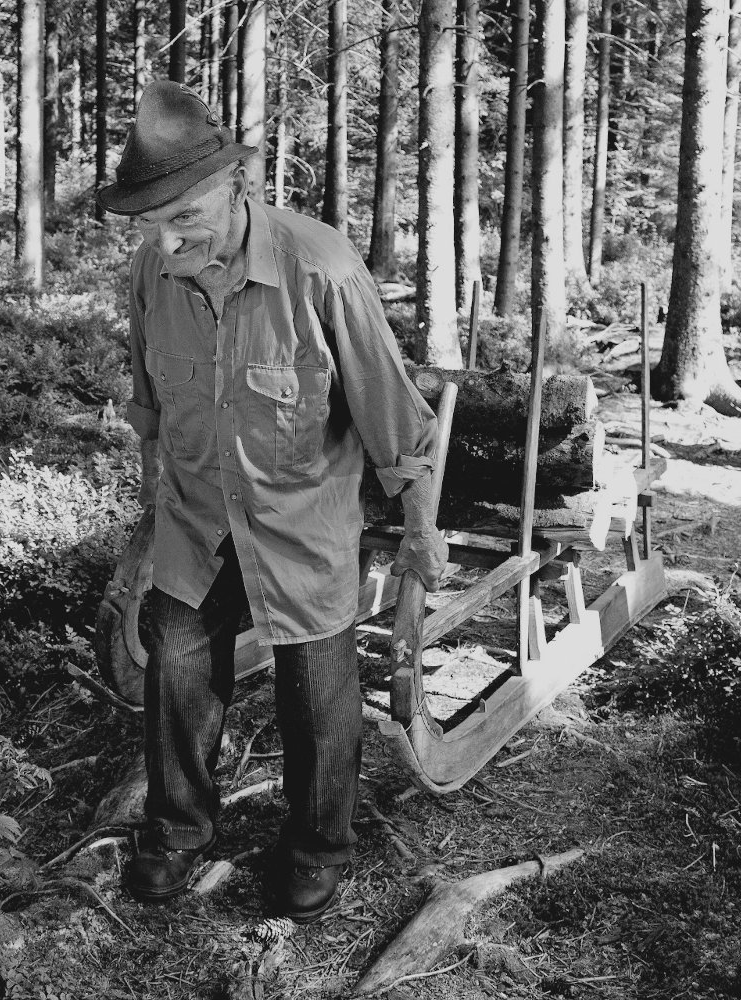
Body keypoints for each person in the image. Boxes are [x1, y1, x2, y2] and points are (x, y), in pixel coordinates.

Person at [98, 80, 448, 924]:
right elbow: (151, 402)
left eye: (186, 214)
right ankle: (178, 830)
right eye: (151, 220)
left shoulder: (319, 267)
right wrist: (148, 524)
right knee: (176, 666)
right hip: (195, 512)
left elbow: (395, 420)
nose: (169, 236)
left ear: (237, 186)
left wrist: (420, 532)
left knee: (316, 689)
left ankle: (318, 846)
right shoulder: (153, 270)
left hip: (301, 519)